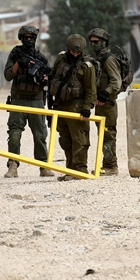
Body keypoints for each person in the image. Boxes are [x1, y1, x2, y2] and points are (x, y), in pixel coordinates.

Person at [2, 25, 53, 178]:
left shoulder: (41, 58)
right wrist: (19, 63)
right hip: (18, 100)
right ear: (21, 38)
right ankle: (13, 165)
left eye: (31, 37)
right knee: (15, 133)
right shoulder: (15, 54)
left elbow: (48, 79)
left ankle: (43, 166)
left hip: (36, 100)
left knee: (40, 135)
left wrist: (45, 78)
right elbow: (8, 75)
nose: (28, 40)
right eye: (26, 37)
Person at [48, 34, 97, 181]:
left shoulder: (87, 66)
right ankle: (70, 169)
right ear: (68, 49)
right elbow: (53, 76)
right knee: (65, 139)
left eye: (78, 52)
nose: (75, 54)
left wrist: (87, 108)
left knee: (80, 140)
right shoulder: (60, 59)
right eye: (73, 52)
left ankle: (80, 170)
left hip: (77, 107)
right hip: (60, 106)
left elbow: (91, 90)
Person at [88, 28, 122, 176]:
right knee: (103, 134)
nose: (94, 44)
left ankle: (111, 166)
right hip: (100, 103)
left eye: (97, 42)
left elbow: (116, 82)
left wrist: (105, 94)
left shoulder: (108, 59)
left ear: (104, 42)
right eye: (92, 42)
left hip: (107, 103)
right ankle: (108, 164)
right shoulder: (97, 59)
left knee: (108, 134)